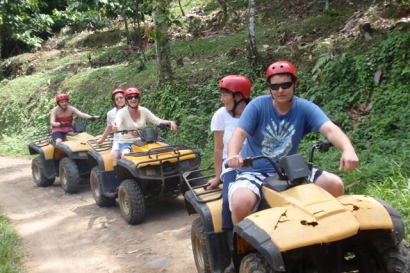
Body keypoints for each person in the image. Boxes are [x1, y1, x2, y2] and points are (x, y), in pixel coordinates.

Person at [226, 60, 359, 226]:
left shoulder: (304, 108)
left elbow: (331, 130)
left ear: (295, 84)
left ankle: (328, 233)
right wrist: (233, 155)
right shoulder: (257, 106)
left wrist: (348, 149)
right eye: (275, 86)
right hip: (255, 170)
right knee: (240, 202)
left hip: (290, 170)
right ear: (269, 87)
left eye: (286, 85)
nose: (280, 90)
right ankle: (246, 248)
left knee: (335, 184)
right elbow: (238, 134)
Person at [206, 75, 252, 273]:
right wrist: (218, 176)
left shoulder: (254, 112)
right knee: (229, 201)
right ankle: (236, 255)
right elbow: (218, 149)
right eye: (222, 95)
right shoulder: (220, 115)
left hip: (257, 164)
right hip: (231, 167)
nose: (222, 99)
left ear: (240, 96)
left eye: (226, 95)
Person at [113, 87, 178, 158]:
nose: (133, 99)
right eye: (130, 97)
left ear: (139, 98)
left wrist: (170, 122)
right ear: (126, 100)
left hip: (144, 140)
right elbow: (117, 123)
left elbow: (157, 121)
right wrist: (116, 128)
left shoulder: (144, 111)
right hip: (127, 142)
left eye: (136, 96)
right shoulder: (121, 113)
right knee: (125, 155)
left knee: (168, 149)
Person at [97, 88, 126, 166]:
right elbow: (109, 127)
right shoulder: (111, 113)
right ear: (114, 101)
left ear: (125, 98)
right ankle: (117, 176)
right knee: (115, 155)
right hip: (119, 139)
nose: (119, 100)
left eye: (121, 97)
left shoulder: (132, 109)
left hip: (133, 138)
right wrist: (102, 139)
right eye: (116, 99)